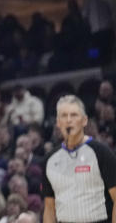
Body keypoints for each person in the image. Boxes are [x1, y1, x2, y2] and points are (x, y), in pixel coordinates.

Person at [41, 95, 116, 223]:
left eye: (74, 115)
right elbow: (49, 208)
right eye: (64, 116)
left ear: (84, 120)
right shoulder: (49, 160)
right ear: (58, 122)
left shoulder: (102, 153)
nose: (69, 120)